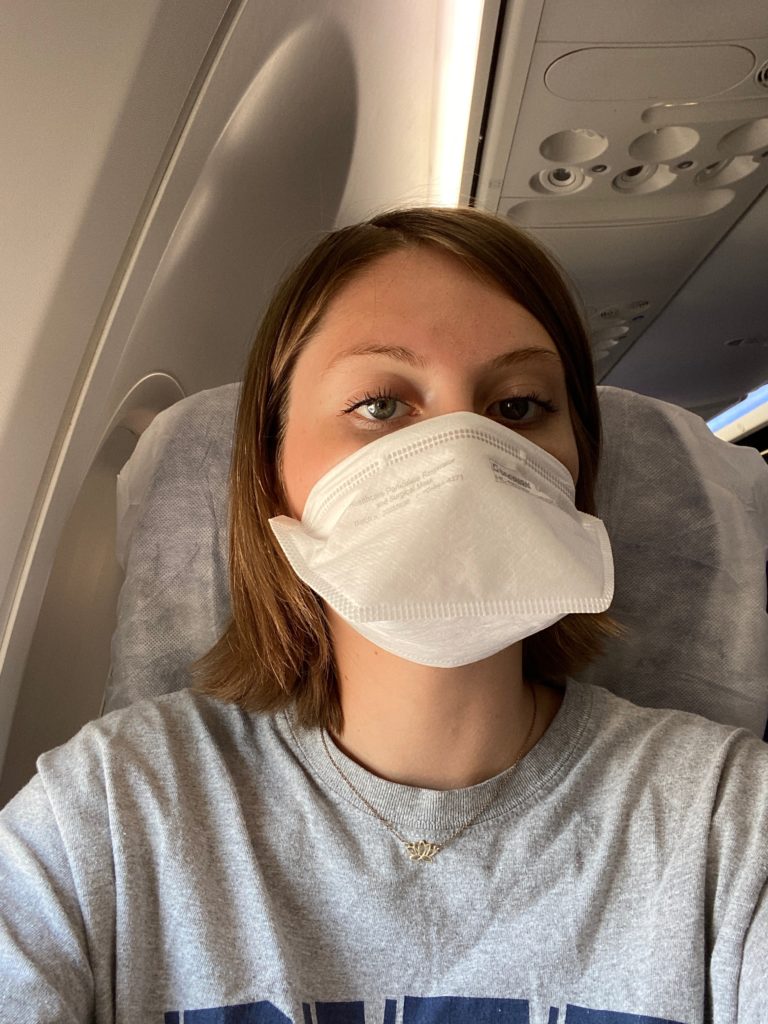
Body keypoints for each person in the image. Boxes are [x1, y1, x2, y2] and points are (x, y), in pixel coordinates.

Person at [1, 206, 766, 1024]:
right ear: (270, 471)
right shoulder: (112, 813)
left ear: (576, 474)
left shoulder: (726, 821)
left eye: (516, 407)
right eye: (380, 405)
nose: (462, 454)